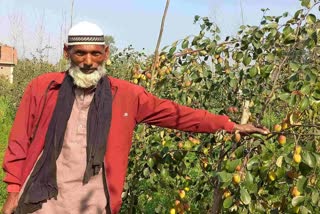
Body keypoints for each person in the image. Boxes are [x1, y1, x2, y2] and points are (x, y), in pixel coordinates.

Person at [1, 21, 269, 214]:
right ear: (66, 53)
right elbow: (19, 140)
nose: (87, 61)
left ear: (105, 54)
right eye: (79, 52)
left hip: (95, 202)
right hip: (43, 198)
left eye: (95, 54)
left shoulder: (126, 95)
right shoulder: (44, 87)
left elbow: (178, 115)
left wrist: (228, 124)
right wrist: (13, 190)